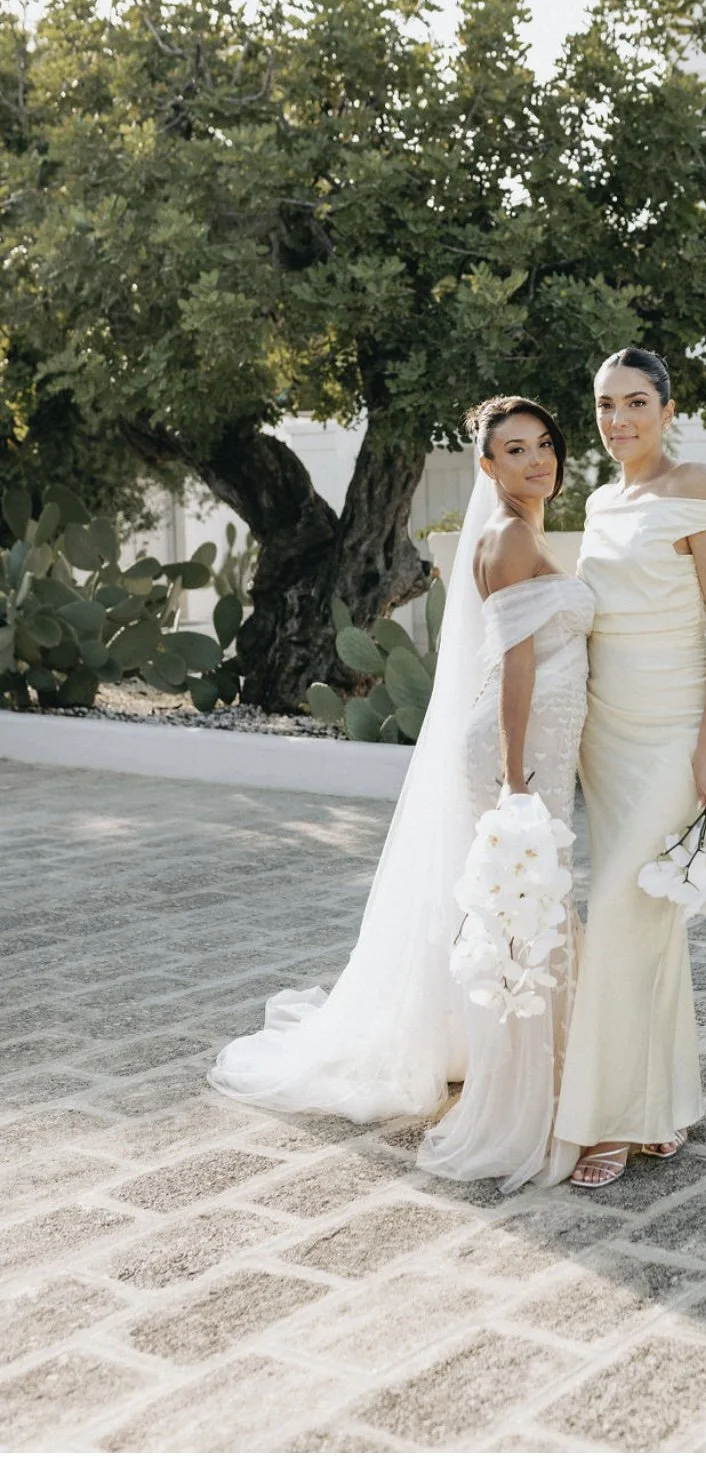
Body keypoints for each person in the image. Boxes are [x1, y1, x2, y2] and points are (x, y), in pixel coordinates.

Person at [209, 397, 592, 1193]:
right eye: (515, 451)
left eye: (545, 445)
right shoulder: (510, 537)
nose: (537, 461)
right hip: (514, 754)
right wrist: (518, 783)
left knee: (523, 911)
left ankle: (551, 1073)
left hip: (537, 750)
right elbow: (515, 668)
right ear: (487, 468)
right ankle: (526, 1099)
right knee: (521, 916)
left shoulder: (526, 532)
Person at [552, 347, 706, 1189]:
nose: (619, 420)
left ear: (668, 410)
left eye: (636, 403)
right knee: (648, 917)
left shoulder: (694, 486)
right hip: (607, 730)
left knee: (622, 911)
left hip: (672, 728)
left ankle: (606, 1117)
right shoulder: (599, 499)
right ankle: (661, 1106)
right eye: (604, 405)